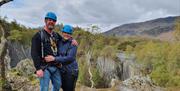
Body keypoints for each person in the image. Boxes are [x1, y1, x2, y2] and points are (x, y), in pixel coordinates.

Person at [31, 12, 78, 91]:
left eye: (53, 20)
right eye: (49, 20)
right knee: (44, 88)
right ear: (45, 21)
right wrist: (38, 68)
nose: (51, 22)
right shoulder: (38, 36)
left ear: (55, 22)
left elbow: (65, 38)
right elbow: (34, 53)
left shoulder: (55, 35)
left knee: (57, 85)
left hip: (55, 66)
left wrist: (73, 40)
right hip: (44, 67)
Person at [45, 25, 79, 91]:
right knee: (63, 88)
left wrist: (54, 59)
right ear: (62, 33)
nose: (66, 34)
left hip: (71, 71)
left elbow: (70, 58)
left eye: (68, 33)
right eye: (65, 32)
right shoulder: (59, 41)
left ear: (71, 34)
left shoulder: (73, 44)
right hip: (63, 70)